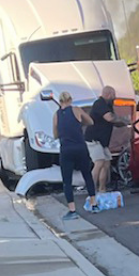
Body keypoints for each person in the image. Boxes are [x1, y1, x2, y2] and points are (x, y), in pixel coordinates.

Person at [52, 92, 98, 221]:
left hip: (66, 149)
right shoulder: (76, 110)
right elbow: (90, 121)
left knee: (67, 181)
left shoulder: (56, 115)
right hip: (80, 147)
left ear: (60, 101)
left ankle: (72, 210)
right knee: (87, 175)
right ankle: (94, 204)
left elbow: (55, 134)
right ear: (70, 100)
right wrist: (79, 124)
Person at [84, 86, 121, 193]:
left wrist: (124, 123)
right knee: (99, 162)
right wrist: (121, 119)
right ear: (108, 94)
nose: (115, 97)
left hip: (102, 142)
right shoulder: (99, 103)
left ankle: (102, 189)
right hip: (93, 140)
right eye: (113, 94)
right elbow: (109, 118)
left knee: (106, 164)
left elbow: (113, 121)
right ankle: (91, 189)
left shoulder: (108, 106)